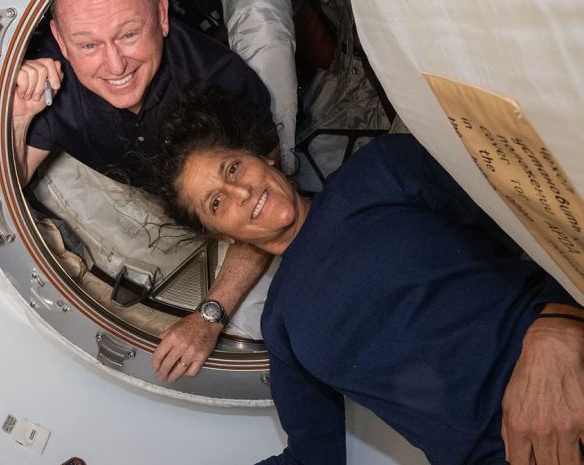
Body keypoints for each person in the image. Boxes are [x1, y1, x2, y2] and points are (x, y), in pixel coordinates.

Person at [151, 90, 584, 465]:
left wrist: (560, 325)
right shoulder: (281, 326)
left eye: (232, 169)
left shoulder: (378, 171)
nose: (242, 193)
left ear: (262, 155)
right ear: (223, 236)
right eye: (216, 203)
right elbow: (312, 457)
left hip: (564, 368)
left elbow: (542, 216)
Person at [12, 0, 280, 382]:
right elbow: (10, 186)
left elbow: (268, 210)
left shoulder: (222, 84)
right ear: (60, 40)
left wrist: (209, 317)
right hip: (138, 186)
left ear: (161, 14)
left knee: (263, 24)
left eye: (129, 34)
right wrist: (21, 116)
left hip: (220, 182)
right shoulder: (51, 79)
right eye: (88, 45)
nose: (115, 65)